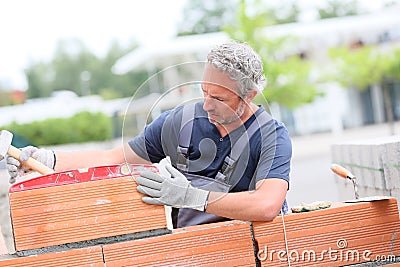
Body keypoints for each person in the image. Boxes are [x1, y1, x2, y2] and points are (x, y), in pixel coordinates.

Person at [6, 41, 292, 228]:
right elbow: (114, 158)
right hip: (193, 249)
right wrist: (49, 159)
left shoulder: (271, 136)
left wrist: (192, 197)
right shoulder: (180, 123)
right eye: (203, 91)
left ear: (248, 95)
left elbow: (266, 204)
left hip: (256, 251)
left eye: (218, 97)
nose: (206, 104)